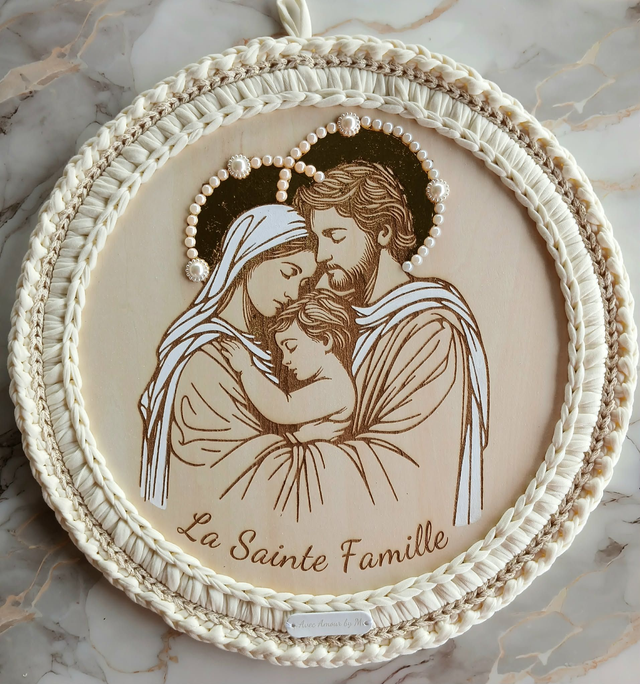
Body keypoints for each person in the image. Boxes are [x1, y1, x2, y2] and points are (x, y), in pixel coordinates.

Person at [292, 162, 490, 526]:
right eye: (317, 239)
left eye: (335, 236)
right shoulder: (348, 319)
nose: (321, 255)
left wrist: (284, 454)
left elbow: (403, 467)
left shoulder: (431, 330)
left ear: (383, 231)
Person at [139, 204, 317, 508]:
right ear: (251, 258)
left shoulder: (259, 347)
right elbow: (229, 468)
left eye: (302, 283)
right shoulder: (206, 353)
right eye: (288, 273)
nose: (294, 294)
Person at [218, 290, 357, 519]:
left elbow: (283, 408)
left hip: (316, 475)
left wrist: (246, 369)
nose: (285, 360)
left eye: (291, 347)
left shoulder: (335, 387)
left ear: (324, 341)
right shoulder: (329, 382)